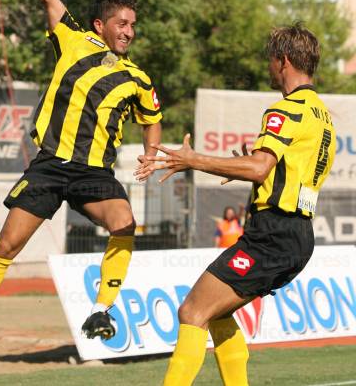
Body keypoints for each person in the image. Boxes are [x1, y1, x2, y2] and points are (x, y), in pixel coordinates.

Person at [0, 0, 162, 366]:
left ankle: (101, 312)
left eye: (133, 25)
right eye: (123, 23)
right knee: (7, 246)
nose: (129, 30)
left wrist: (149, 155)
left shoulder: (137, 78)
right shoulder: (73, 40)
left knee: (124, 223)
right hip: (50, 165)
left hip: (93, 173)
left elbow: (153, 119)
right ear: (100, 24)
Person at [137, 23, 336, 386]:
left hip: (273, 234)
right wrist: (246, 167)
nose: (269, 67)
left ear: (284, 61)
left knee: (192, 310)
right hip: (296, 235)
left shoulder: (286, 110)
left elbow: (260, 168)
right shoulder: (322, 116)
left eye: (271, 60)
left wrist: (195, 160)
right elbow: (282, 171)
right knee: (218, 315)